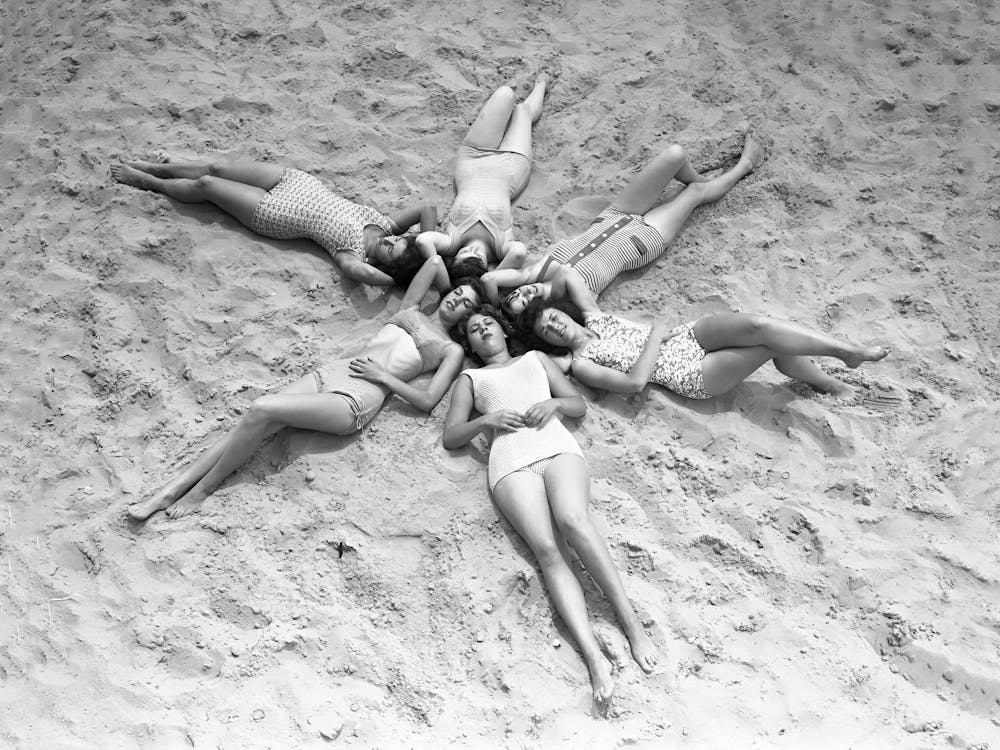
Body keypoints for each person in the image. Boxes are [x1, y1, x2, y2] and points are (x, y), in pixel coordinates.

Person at [127, 258, 486, 521]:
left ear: (471, 316)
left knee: (262, 410)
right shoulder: (411, 307)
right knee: (258, 422)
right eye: (457, 292)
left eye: (468, 303)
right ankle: (169, 491)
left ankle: (203, 488)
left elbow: (426, 401)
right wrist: (470, 281)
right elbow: (435, 261)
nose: (458, 300)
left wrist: (385, 378)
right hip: (333, 372)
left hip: (358, 398)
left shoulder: (450, 350)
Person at [443, 306, 658, 706]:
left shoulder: (535, 359)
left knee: (574, 520)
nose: (482, 329)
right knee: (548, 550)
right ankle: (593, 657)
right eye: (473, 329)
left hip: (555, 446)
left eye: (487, 322)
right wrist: (486, 422)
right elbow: (452, 436)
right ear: (470, 344)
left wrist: (555, 405)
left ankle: (632, 623)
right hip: (509, 461)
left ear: (504, 331)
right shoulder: (471, 379)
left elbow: (578, 404)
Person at [481, 134, 766, 315]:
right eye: (523, 302)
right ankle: (743, 166)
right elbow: (594, 318)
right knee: (695, 195)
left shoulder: (532, 273)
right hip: (645, 239)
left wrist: (495, 308)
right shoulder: (571, 303)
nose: (522, 293)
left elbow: (489, 280)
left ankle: (705, 180)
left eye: (515, 295)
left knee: (675, 155)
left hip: (615, 215)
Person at [110, 158, 443, 289]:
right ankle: (161, 168)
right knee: (218, 168)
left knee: (206, 186)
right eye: (397, 241)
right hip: (301, 183)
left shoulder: (351, 256)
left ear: (386, 266)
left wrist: (403, 281)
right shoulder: (385, 223)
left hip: (274, 213)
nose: (388, 242)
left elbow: (367, 275)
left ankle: (146, 181)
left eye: (390, 252)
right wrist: (434, 251)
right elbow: (426, 208)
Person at [517, 297, 890, 400]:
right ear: (547, 343)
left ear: (563, 312)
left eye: (552, 318)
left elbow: (566, 274)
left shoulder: (594, 317)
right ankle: (831, 383)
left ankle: (845, 352)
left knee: (760, 324)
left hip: (686, 337)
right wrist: (653, 339)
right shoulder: (582, 364)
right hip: (687, 375)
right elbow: (633, 385)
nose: (554, 326)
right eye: (546, 331)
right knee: (766, 344)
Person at [414, 75, 549, 279]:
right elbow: (519, 252)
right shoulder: (501, 247)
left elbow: (423, 240)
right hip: (510, 167)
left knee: (505, 94)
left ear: (453, 260)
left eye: (464, 255)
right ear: (487, 267)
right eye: (477, 259)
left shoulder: (451, 242)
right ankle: (543, 83)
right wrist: (492, 278)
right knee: (522, 112)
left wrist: (438, 271)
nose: (473, 251)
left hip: (473, 158)